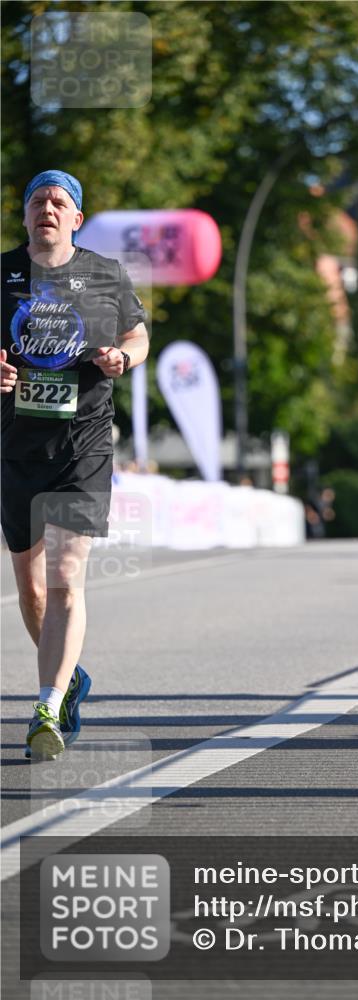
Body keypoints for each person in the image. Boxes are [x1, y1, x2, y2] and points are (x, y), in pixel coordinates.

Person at [1, 170, 149, 758]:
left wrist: (123, 358)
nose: (48, 209)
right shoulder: (2, 272)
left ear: (77, 219)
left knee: (66, 578)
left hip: (83, 444)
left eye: (60, 202)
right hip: (15, 448)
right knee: (31, 592)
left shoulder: (104, 274)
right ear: (25, 216)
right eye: (38, 200)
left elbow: (138, 335)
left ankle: (46, 705)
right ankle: (71, 678)